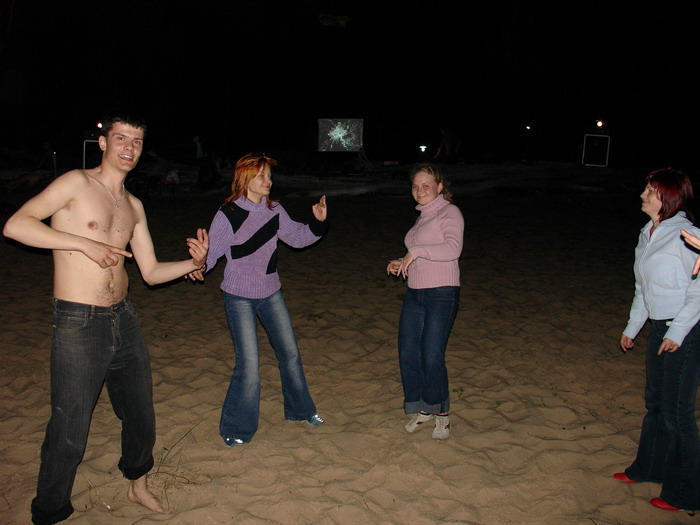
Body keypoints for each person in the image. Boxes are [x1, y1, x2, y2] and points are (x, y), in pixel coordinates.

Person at [2, 113, 209, 525]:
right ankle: (49, 512)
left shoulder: (134, 205)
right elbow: (16, 226)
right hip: (78, 320)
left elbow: (150, 272)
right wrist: (83, 243)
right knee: (70, 426)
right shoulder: (76, 183)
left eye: (137, 141)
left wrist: (194, 263)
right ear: (103, 143)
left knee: (140, 413)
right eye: (121, 138)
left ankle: (137, 483)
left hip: (123, 318)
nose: (129, 147)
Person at [202, 152, 327, 446]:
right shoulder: (229, 213)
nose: (268, 180)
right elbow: (211, 253)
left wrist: (318, 223)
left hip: (271, 292)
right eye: (261, 176)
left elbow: (297, 238)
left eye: (269, 175)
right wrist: (197, 265)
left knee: (290, 354)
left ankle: (300, 411)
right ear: (244, 178)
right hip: (239, 297)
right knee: (248, 365)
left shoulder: (274, 209)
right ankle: (237, 428)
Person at [615, 168, 700, 512]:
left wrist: (678, 331)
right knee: (656, 405)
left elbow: (699, 289)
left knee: (678, 414)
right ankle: (649, 468)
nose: (643, 195)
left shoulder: (686, 234)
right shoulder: (647, 234)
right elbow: (643, 288)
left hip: (685, 329)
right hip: (659, 328)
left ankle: (686, 493)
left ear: (669, 197)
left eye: (650, 191)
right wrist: (632, 328)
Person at [387, 163, 464, 439]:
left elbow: (453, 249)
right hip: (415, 292)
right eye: (415, 186)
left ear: (439, 187)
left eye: (426, 185)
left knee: (431, 354)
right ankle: (423, 408)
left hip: (441, 293)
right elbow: (422, 253)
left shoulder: (450, 212)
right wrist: (402, 261)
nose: (419, 190)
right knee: (409, 352)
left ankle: (441, 412)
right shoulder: (423, 217)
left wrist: (416, 251)